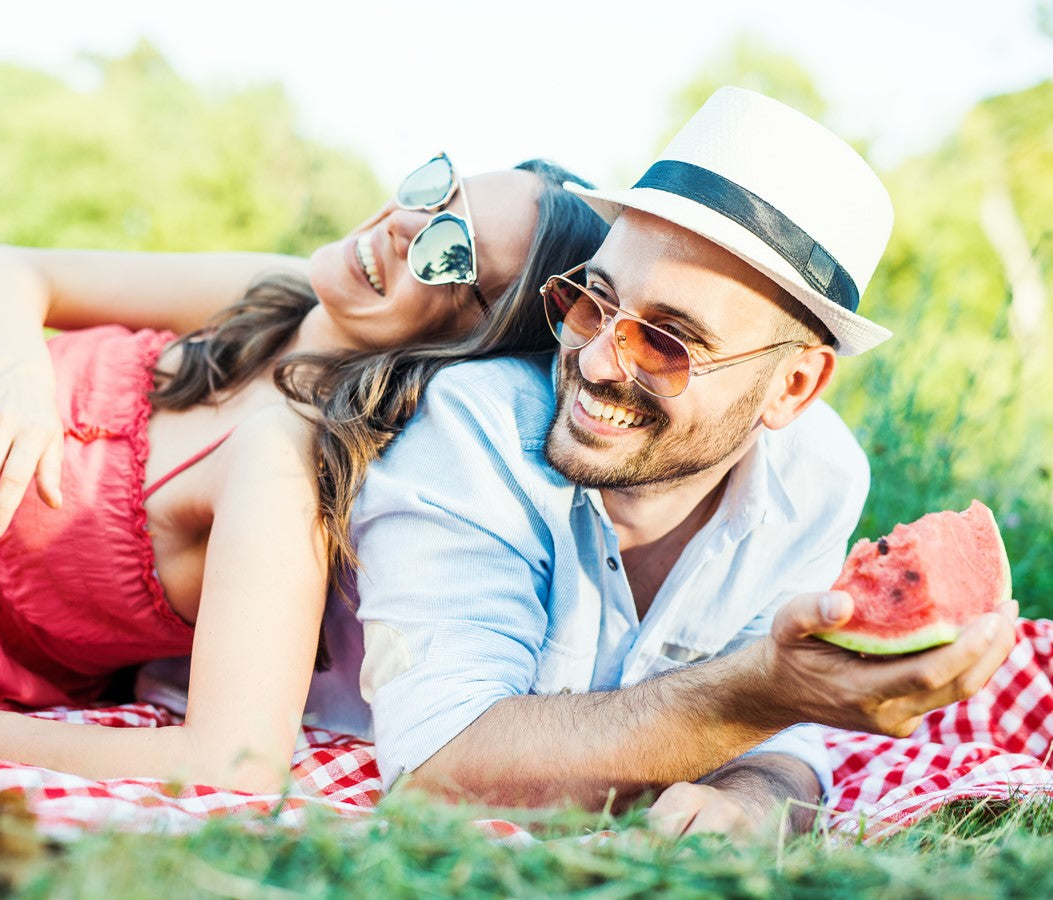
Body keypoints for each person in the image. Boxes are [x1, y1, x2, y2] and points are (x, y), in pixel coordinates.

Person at [349, 87, 1020, 837]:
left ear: (792, 387)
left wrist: (752, 802)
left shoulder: (819, 476)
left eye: (666, 342)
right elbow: (432, 770)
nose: (597, 364)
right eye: (589, 303)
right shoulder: (477, 424)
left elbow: (785, 745)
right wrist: (759, 691)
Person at [0, 155, 609, 793]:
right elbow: (4, 269)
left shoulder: (285, 464)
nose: (405, 227)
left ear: (471, 343)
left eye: (451, 252)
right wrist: (13, 372)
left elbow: (234, 762)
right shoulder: (278, 295)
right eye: (436, 191)